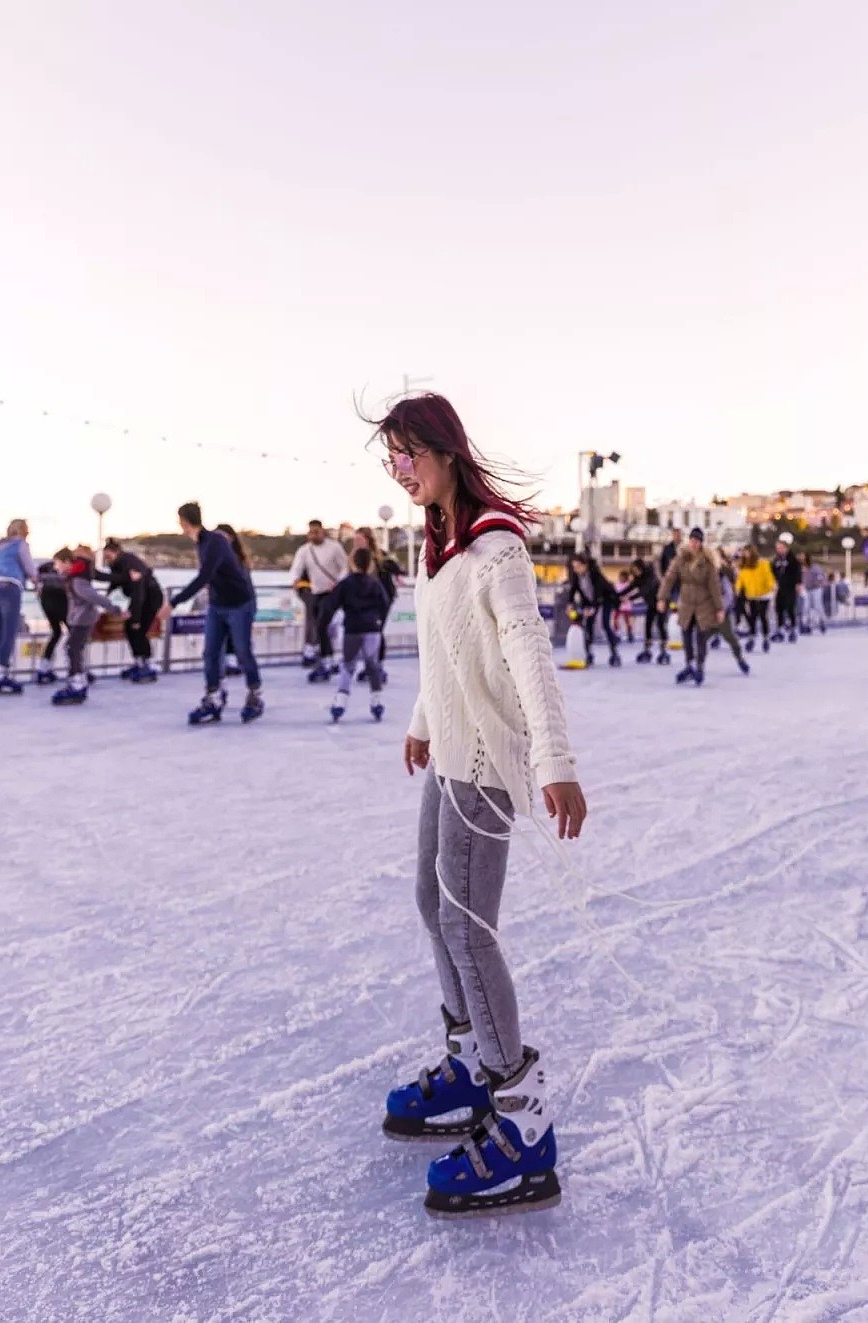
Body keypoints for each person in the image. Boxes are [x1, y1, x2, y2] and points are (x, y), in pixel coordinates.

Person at [369, 392, 586, 1218]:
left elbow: (526, 655)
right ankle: (466, 1062)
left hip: (489, 763)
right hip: (450, 757)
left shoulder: (495, 547)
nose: (399, 472)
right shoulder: (436, 549)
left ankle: (523, 1121)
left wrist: (557, 761)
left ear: (444, 450)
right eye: (390, 460)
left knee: (467, 924)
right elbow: (445, 655)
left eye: (407, 456)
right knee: (433, 901)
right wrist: (424, 721)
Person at [163, 503, 264, 724]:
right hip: (217, 605)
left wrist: (173, 602)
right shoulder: (202, 543)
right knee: (210, 653)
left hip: (239, 604)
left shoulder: (215, 541)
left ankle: (255, 694)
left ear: (184, 521)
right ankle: (213, 697)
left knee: (242, 650)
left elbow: (203, 577)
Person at [317, 547, 389, 722]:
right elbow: (384, 604)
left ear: (352, 562)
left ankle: (340, 702)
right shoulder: (375, 584)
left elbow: (331, 604)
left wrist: (327, 624)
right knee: (372, 665)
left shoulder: (346, 584)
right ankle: (376, 701)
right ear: (370, 564)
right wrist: (378, 621)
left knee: (348, 665)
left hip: (352, 629)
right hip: (372, 629)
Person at [48, 546, 122, 706]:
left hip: (83, 620)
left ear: (67, 563)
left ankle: (77, 684)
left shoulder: (77, 581)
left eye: (57, 564)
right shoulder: (73, 577)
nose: (55, 567)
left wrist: (114, 609)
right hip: (79, 619)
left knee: (72, 649)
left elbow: (94, 596)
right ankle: (77, 680)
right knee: (73, 649)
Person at [657, 527, 724, 685]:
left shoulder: (707, 562)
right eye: (692, 540)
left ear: (701, 543)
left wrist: (719, 608)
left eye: (697, 541)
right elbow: (669, 578)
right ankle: (689, 664)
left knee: (701, 638)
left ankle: (699, 666)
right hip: (686, 602)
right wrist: (662, 598)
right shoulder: (681, 559)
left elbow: (714, 586)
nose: (694, 544)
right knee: (686, 636)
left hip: (703, 604)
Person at [0, 518, 40, 694]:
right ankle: (1, 676)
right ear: (23, 530)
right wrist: (38, 584)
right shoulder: (21, 545)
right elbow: (30, 568)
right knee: (9, 633)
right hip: (9, 588)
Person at [95, 539, 164, 682]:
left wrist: (136, 618)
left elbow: (139, 592)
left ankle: (148, 663)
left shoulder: (130, 562)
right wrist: (107, 594)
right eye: (105, 557)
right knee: (129, 628)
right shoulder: (118, 564)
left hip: (150, 598)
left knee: (138, 628)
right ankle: (139, 661)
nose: (107, 560)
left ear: (117, 552)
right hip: (141, 598)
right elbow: (117, 580)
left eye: (108, 556)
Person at [288, 520, 348, 681]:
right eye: (311, 532)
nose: (314, 535)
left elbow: (344, 567)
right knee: (320, 626)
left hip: (333, 592)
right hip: (316, 592)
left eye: (317, 531)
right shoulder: (304, 550)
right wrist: (294, 580)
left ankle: (328, 660)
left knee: (323, 625)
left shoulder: (334, 547)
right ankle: (329, 659)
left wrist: (339, 582)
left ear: (323, 531)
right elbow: (297, 568)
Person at [353, 525, 402, 678]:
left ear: (367, 540)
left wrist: (394, 571)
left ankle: (377, 665)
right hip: (364, 601)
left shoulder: (381, 556)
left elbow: (395, 569)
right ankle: (369, 664)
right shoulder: (355, 557)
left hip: (382, 600)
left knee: (377, 632)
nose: (356, 542)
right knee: (366, 633)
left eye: (359, 539)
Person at [567, 552, 621, 666]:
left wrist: (593, 609)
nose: (576, 569)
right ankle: (588, 652)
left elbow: (598, 593)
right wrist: (570, 603)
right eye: (574, 567)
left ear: (585, 565)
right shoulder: (576, 575)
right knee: (588, 625)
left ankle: (614, 652)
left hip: (606, 598)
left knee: (605, 624)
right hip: (589, 600)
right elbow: (573, 589)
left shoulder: (595, 574)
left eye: (578, 566)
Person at [216, 524, 255, 678]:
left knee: (238, 635)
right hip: (221, 600)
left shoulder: (239, 558)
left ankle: (235, 662)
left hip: (241, 601)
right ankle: (226, 661)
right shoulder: (215, 555)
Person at [622, 557, 669, 664]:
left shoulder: (651, 576)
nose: (635, 572)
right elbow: (630, 587)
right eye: (633, 571)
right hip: (651, 604)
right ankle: (647, 649)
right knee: (648, 625)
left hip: (661, 602)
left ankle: (663, 650)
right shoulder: (639, 578)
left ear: (641, 568)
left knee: (660, 625)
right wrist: (618, 595)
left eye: (636, 570)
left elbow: (644, 590)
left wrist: (629, 598)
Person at [735, 545, 775, 653]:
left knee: (762, 615)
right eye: (744, 552)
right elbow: (740, 578)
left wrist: (772, 585)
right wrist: (738, 588)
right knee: (752, 616)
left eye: (747, 552)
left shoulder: (762, 563)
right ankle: (752, 636)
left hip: (764, 593)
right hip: (751, 594)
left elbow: (768, 575)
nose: (746, 554)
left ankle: (766, 637)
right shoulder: (743, 565)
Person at [35, 559, 69, 684]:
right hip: (61, 605)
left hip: (47, 606)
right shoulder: (59, 580)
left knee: (56, 633)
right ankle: (76, 668)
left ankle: (43, 668)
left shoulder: (44, 583)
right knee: (73, 634)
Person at [771, 537, 803, 642]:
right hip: (780, 587)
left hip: (790, 587)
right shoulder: (776, 560)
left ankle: (793, 629)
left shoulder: (792, 559)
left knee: (790, 608)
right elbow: (772, 571)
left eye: (780, 548)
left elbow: (797, 571)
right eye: (777, 548)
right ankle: (779, 629)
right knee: (779, 608)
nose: (778, 550)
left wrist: (798, 583)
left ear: (786, 548)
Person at [801, 554, 828, 636]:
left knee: (817, 606)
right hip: (807, 589)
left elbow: (820, 575)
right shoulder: (802, 568)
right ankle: (806, 624)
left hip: (816, 589)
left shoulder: (814, 567)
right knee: (806, 607)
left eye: (803, 558)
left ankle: (822, 621)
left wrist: (822, 582)